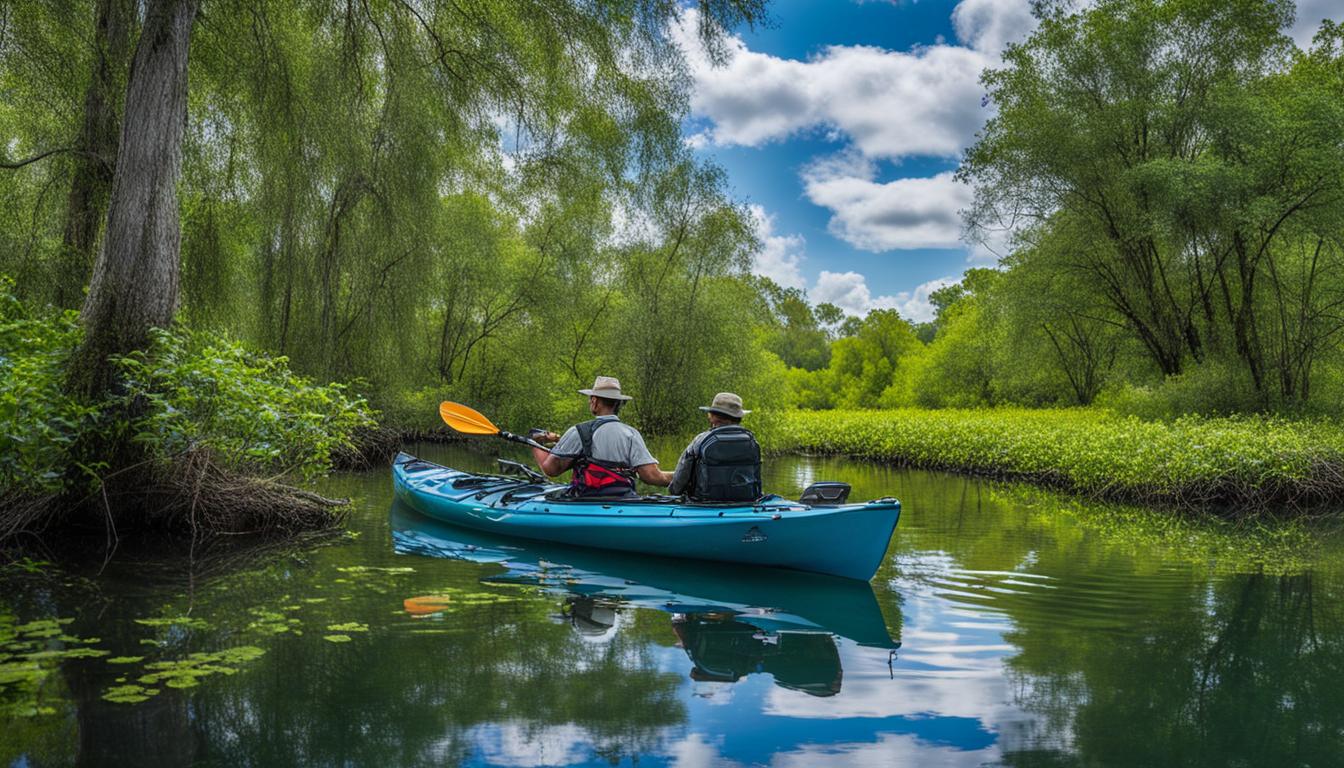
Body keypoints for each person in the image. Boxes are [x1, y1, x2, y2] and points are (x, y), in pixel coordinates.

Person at [530, 375, 671, 497]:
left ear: (595, 401)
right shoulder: (632, 434)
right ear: (618, 404)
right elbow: (652, 476)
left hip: (585, 502)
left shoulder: (579, 431)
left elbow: (551, 470)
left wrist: (533, 442)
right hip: (624, 501)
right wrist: (683, 476)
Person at [668, 392, 762, 502]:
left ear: (712, 416)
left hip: (704, 503)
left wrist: (673, 492)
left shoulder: (700, 440)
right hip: (746, 501)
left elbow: (679, 482)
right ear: (739, 417)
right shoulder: (751, 441)